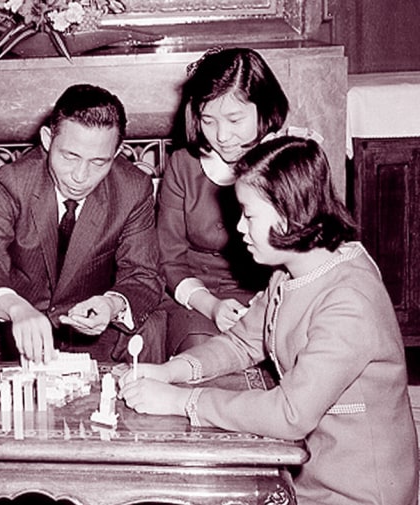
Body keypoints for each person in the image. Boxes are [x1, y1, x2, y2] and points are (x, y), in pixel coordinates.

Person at [119, 136, 419, 504]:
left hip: (357, 491)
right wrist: (171, 371)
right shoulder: (292, 271)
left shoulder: (349, 301)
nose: (239, 229)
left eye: (249, 214)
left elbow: (290, 414)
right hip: (307, 473)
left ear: (289, 213)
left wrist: (182, 401)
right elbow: (243, 340)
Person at [0, 83, 167, 365]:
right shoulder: (9, 183)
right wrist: (15, 307)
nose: (80, 176)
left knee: (152, 329)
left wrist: (111, 305)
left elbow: (144, 273)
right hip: (13, 329)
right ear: (48, 139)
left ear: (117, 150)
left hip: (94, 334)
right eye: (70, 156)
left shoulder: (134, 188)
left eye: (99, 162)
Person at [158, 47, 289, 355]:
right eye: (208, 120)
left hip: (274, 295)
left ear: (264, 109)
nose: (222, 136)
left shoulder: (288, 160)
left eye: (234, 119)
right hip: (197, 299)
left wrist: (262, 305)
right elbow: (169, 258)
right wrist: (212, 305)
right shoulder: (183, 165)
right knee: (201, 355)